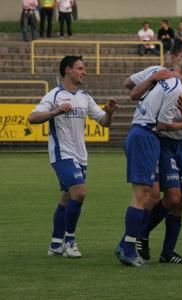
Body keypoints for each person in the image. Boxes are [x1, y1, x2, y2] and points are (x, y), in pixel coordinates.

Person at [116, 52, 182, 267]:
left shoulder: (167, 81)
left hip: (146, 134)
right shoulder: (172, 85)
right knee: (144, 196)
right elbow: (162, 125)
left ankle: (129, 245)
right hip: (146, 134)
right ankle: (128, 247)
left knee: (147, 194)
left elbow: (139, 99)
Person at [28, 55, 118, 258]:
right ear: (68, 70)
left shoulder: (85, 97)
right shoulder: (54, 96)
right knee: (80, 191)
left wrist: (109, 112)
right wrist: (56, 111)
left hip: (80, 155)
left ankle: (55, 244)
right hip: (62, 154)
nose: (83, 72)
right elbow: (32, 118)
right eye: (80, 68)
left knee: (67, 197)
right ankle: (70, 241)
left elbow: (104, 122)